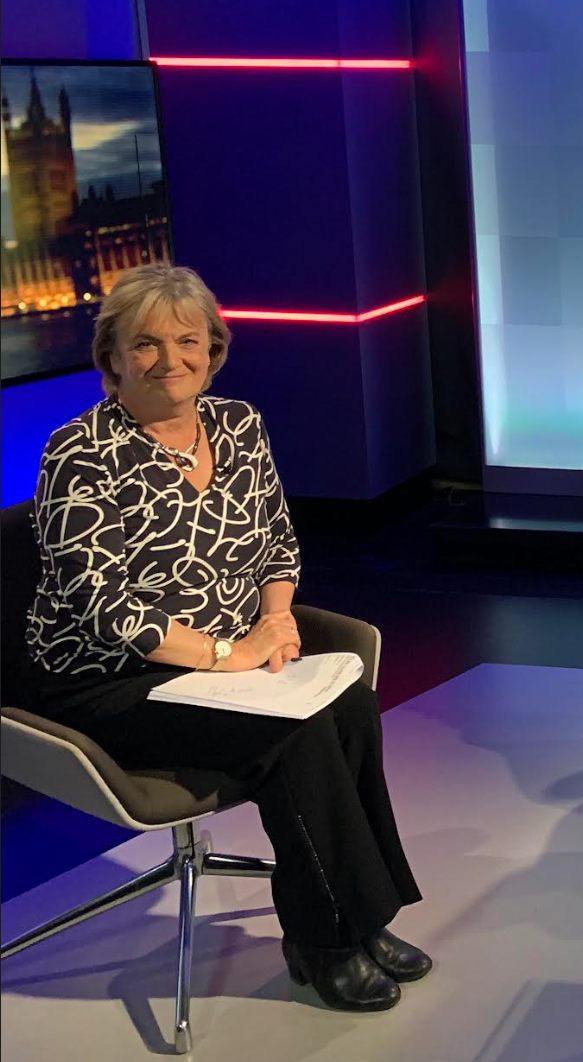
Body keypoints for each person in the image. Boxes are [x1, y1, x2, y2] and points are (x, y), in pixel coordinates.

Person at [24, 265, 427, 1012]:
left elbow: (277, 545)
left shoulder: (238, 425)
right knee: (294, 732)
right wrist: (227, 655)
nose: (169, 359)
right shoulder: (80, 452)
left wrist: (277, 623)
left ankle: (361, 918)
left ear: (213, 350)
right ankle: (328, 940)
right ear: (112, 357)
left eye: (188, 340)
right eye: (145, 344)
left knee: (350, 706)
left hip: (226, 665)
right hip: (111, 679)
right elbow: (105, 610)